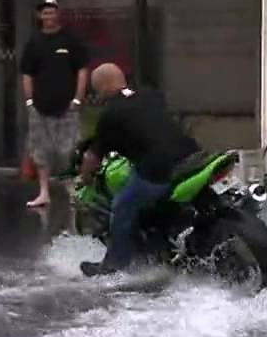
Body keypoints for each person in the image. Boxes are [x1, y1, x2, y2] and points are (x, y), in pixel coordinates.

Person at [77, 63, 199, 277]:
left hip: (158, 169)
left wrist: (85, 177)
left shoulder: (111, 114)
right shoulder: (150, 95)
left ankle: (114, 265)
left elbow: (93, 156)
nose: (98, 95)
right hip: (192, 157)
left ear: (104, 87)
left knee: (121, 206)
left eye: (96, 90)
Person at [20, 0, 89, 208]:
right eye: (45, 12)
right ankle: (43, 193)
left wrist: (78, 99)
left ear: (58, 14)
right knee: (40, 151)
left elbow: (82, 70)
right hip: (40, 108)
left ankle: (72, 193)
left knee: (69, 151)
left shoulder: (71, 40)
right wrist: (30, 101)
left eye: (52, 11)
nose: (49, 15)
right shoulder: (34, 42)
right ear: (40, 16)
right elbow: (27, 73)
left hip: (67, 107)